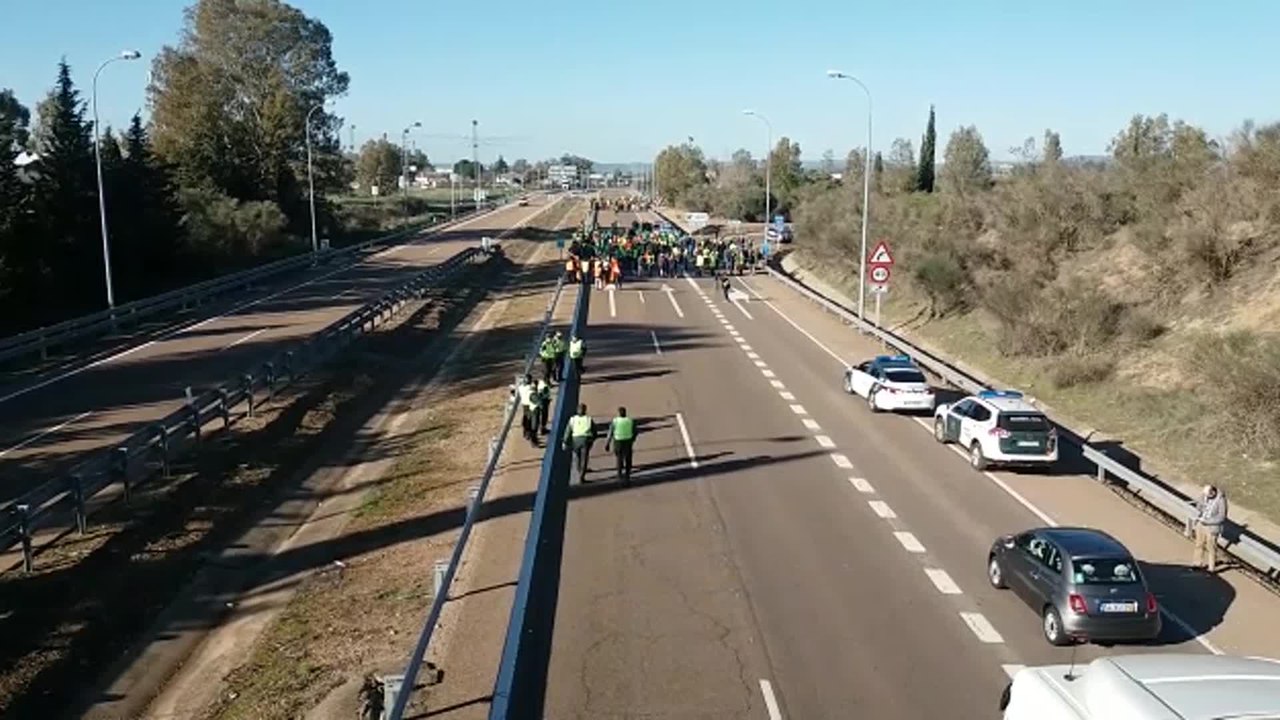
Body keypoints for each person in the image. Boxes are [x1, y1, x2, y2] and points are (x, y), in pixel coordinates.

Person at [1190, 484, 1228, 572]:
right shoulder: (1204, 496)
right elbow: (1198, 507)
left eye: (1210, 496)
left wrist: (1208, 521)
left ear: (1214, 492)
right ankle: (1197, 563)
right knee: (1199, 544)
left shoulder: (1221, 500)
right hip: (1201, 523)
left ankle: (1211, 567)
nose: (1208, 497)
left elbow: (1221, 517)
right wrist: (1202, 502)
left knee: (1211, 547)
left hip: (1212, 527)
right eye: (1207, 495)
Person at [562, 403, 596, 483]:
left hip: (575, 440)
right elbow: (594, 431)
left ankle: (579, 469)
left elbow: (568, 431)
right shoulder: (588, 419)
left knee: (577, 456)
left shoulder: (572, 419)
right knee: (584, 458)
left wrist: (565, 442)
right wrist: (593, 439)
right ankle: (582, 476)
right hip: (585, 439)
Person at [604, 406, 637, 483]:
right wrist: (633, 439)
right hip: (628, 441)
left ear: (618, 413)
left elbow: (610, 433)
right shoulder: (630, 421)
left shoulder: (615, 421)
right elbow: (635, 431)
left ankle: (619, 475)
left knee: (619, 459)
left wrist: (607, 443)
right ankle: (627, 475)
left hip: (618, 441)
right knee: (628, 459)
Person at [516, 374, 538, 445]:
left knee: (526, 419)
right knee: (533, 421)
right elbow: (535, 393)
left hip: (524, 405)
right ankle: (533, 438)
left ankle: (526, 433)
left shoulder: (520, 387)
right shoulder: (531, 387)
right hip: (531, 405)